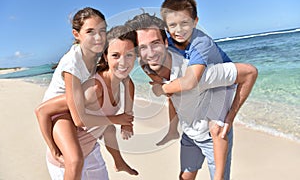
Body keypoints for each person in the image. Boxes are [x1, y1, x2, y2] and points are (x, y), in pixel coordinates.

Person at [125, 13, 257, 180]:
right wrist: (173, 129)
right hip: (189, 134)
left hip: (212, 138)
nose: (150, 53)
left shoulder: (197, 74)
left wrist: (230, 117)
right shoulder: (146, 65)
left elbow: (250, 72)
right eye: (143, 47)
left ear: (166, 43)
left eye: (155, 43)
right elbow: (170, 93)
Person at [35, 10, 138, 179]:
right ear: (76, 34)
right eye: (90, 31)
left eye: (102, 31)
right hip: (59, 111)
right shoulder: (73, 63)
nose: (98, 37)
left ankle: (118, 162)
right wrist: (53, 148)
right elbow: (76, 119)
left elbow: (127, 78)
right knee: (75, 160)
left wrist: (128, 118)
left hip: (80, 110)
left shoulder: (97, 53)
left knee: (108, 128)